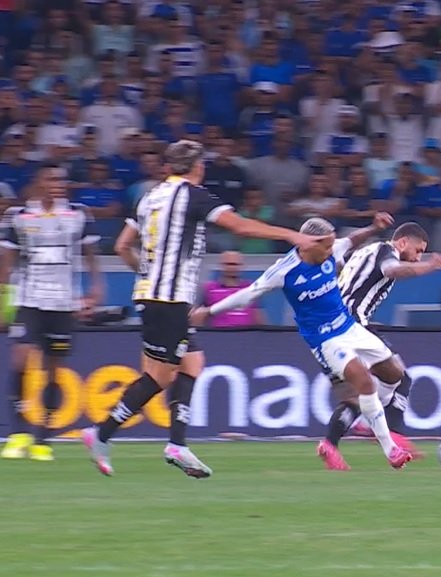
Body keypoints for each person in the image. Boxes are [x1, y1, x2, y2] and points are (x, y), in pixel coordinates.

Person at [81, 140, 329, 478]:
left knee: (193, 361)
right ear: (198, 167)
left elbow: (123, 245)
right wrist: (291, 235)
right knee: (159, 377)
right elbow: (239, 226)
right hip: (166, 300)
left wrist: (147, 274)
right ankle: (101, 433)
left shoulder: (148, 197)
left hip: (158, 296)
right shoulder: (193, 195)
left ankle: (177, 445)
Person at [192, 216, 415, 471]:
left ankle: (366, 420)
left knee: (396, 374)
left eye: (333, 245)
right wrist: (209, 312)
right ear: (308, 244)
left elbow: (351, 240)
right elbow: (247, 294)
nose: (333, 251)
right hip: (325, 340)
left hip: (350, 327)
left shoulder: (331, 249)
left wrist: (374, 228)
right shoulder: (284, 270)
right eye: (327, 247)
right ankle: (391, 450)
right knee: (364, 383)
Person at [316, 222, 441, 471]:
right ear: (401, 242)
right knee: (400, 378)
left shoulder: (364, 251)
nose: (418, 256)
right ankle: (393, 434)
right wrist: (427, 266)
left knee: (357, 395)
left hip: (329, 328)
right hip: (352, 326)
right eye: (418, 250)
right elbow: (392, 270)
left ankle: (330, 444)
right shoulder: (385, 252)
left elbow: (340, 270)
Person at [0, 164, 103, 461]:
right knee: (20, 359)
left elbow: (90, 255)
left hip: (63, 303)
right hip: (29, 300)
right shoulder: (18, 217)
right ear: (38, 183)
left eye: (62, 179)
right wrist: (4, 296)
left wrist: (96, 286)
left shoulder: (78, 214)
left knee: (53, 369)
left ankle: (43, 437)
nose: (58, 183)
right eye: (52, 179)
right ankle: (18, 433)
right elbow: (7, 262)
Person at [200, 251, 265, 328]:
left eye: (235, 264)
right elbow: (198, 316)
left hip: (245, 336)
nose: (232, 268)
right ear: (221, 265)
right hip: (218, 335)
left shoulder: (251, 288)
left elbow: (258, 317)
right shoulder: (209, 288)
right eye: (228, 264)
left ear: (241, 266)